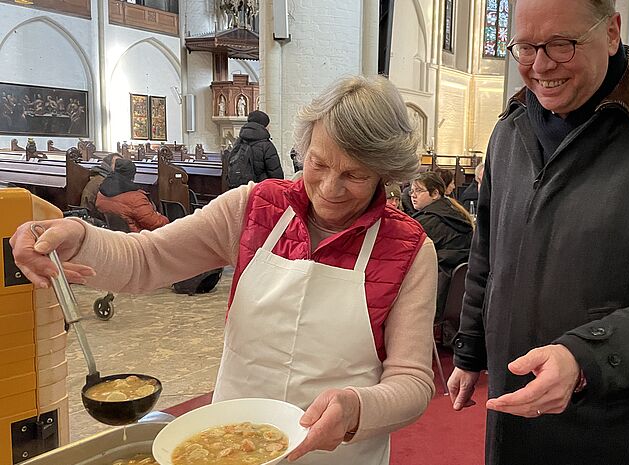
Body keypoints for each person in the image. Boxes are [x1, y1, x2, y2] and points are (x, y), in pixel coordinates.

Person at [12, 77, 437, 465]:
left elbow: (412, 380)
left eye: (354, 175)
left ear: (385, 172)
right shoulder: (253, 208)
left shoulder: (410, 249)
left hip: (344, 454)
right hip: (232, 447)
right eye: (318, 164)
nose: (329, 188)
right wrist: (78, 236)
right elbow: (147, 259)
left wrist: (357, 408)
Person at [446, 1, 629, 464]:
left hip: (617, 421)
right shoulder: (510, 129)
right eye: (525, 47)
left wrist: (584, 359)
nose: (540, 66)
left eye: (561, 46)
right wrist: (469, 349)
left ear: (612, 32)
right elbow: (487, 253)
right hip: (513, 410)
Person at [410, 172, 474, 319]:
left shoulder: (427, 222)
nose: (413, 195)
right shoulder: (458, 213)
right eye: (412, 191)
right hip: (458, 297)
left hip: (433, 295)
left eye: (418, 191)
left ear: (434, 194)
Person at [94, 158, 169, 232]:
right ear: (132, 175)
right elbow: (156, 224)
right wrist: (164, 218)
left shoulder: (101, 193)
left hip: (113, 236)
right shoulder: (136, 199)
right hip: (135, 239)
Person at [227, 110, 284, 187]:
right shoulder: (266, 145)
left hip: (239, 190)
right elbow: (276, 174)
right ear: (264, 125)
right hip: (259, 191)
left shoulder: (238, 142)